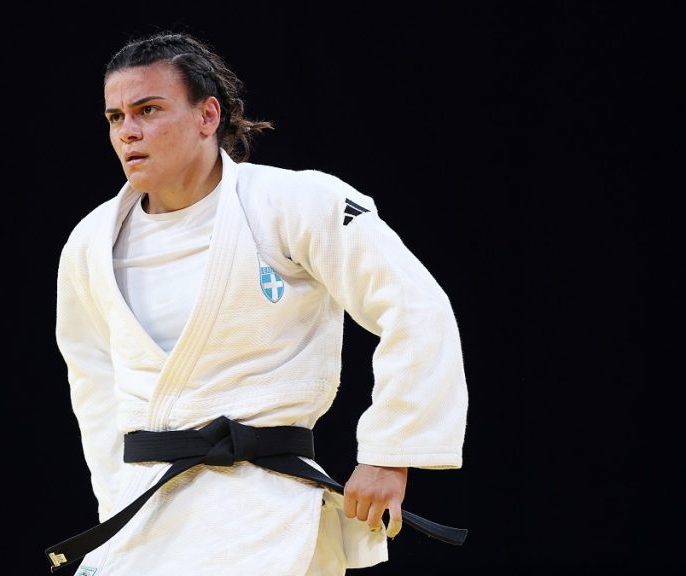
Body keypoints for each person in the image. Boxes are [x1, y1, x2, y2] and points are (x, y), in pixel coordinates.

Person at [45, 30, 469, 575]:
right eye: (115, 117)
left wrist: (390, 453)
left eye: (148, 110)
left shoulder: (294, 203)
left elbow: (415, 307)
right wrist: (114, 493)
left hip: (267, 508)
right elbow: (93, 382)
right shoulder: (91, 242)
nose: (128, 131)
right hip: (147, 513)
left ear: (207, 116)